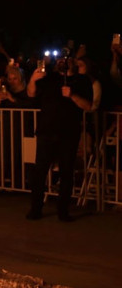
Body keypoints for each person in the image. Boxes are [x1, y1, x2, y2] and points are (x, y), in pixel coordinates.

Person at [25, 56, 93, 221]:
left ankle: (63, 211)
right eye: (60, 60)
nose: (62, 62)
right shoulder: (49, 78)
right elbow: (31, 93)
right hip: (46, 132)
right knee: (40, 171)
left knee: (66, 172)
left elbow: (88, 106)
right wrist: (33, 79)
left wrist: (72, 95)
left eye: (67, 59)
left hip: (68, 134)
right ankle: (36, 208)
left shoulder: (82, 81)